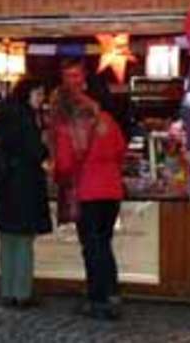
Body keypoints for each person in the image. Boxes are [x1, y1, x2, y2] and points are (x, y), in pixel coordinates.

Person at [52, 62, 126, 321]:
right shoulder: (107, 119)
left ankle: (98, 300)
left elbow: (64, 164)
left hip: (87, 192)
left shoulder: (68, 127)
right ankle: (112, 293)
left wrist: (60, 178)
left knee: (92, 247)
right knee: (104, 244)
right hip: (112, 192)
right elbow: (120, 150)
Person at [0, 79, 51, 309]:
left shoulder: (3, 115)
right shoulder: (26, 119)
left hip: (4, 187)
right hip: (24, 187)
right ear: (27, 94)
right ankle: (22, 292)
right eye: (38, 94)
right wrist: (45, 146)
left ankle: (7, 290)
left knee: (7, 241)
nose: (41, 99)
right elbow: (36, 152)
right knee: (23, 241)